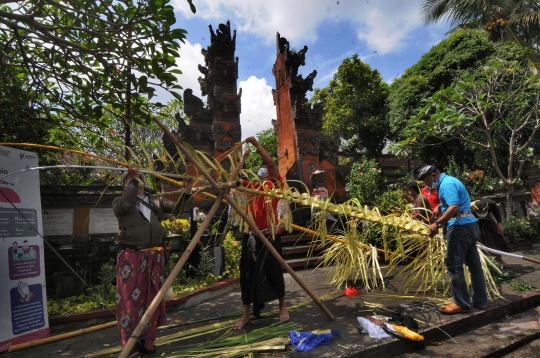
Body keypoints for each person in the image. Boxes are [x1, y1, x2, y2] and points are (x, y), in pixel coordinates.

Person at [112, 166, 191, 354]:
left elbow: (178, 209)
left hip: (154, 257)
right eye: (132, 181)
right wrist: (132, 179)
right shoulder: (120, 202)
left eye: (139, 180)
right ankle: (130, 345)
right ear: (126, 185)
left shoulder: (154, 200)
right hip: (131, 257)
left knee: (152, 300)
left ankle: (147, 342)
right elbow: (124, 206)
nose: (137, 182)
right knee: (129, 302)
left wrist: (187, 191)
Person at [413, 165, 487, 314]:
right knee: (474, 266)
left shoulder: (446, 185)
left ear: (433, 175)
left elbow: (454, 207)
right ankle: (479, 301)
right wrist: (441, 206)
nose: (426, 185)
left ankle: (461, 302)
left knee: (454, 265)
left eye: (426, 180)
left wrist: (437, 223)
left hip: (459, 227)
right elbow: (455, 201)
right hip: (470, 225)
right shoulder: (451, 181)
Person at [233, 136, 289, 330]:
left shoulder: (274, 187)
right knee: (247, 274)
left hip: (270, 234)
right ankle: (245, 314)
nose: (264, 177)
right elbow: (233, 180)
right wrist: (242, 158)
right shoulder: (252, 188)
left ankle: (283, 306)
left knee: (274, 270)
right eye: (261, 176)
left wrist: (256, 145)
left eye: (265, 175)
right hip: (251, 237)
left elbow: (272, 163)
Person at [471, 198, 509, 267]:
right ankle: (483, 263)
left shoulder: (491, 204)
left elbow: (496, 212)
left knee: (497, 236)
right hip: (474, 222)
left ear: (488, 208)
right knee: (479, 240)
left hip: (488, 219)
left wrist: (500, 224)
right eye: (480, 213)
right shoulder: (469, 209)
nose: (482, 214)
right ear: (475, 210)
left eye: (484, 212)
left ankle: (498, 259)